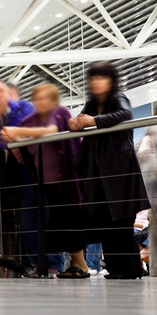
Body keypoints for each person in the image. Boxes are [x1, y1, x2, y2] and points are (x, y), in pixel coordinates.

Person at [69, 62, 150, 279]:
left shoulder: (117, 97)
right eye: (93, 78)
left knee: (122, 224)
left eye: (101, 78)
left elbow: (124, 114)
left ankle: (130, 270)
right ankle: (118, 269)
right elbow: (79, 120)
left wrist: (93, 120)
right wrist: (75, 123)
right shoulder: (92, 103)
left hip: (119, 176)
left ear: (110, 80)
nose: (96, 82)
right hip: (101, 178)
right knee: (108, 224)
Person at [0, 83, 89, 278]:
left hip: (67, 181)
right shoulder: (31, 120)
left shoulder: (60, 112)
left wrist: (18, 134)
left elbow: (52, 131)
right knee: (52, 225)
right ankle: (46, 266)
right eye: (38, 98)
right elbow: (12, 135)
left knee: (70, 221)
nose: (41, 102)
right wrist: (13, 141)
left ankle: (80, 265)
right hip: (44, 183)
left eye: (45, 98)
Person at [0, 79, 39, 275]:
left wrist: (15, 140)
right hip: (8, 176)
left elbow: (35, 131)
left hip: (32, 172)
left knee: (33, 217)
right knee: (15, 221)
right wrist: (9, 145)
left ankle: (45, 263)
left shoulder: (24, 108)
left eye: (1, 91)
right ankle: (25, 263)